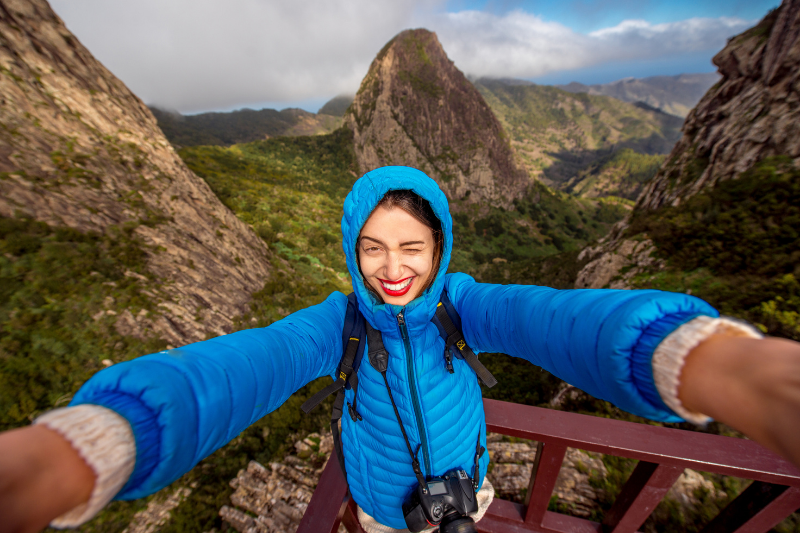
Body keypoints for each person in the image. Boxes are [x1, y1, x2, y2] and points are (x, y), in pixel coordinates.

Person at [1, 166, 799, 533]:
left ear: (440, 247)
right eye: (373, 248)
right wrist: (101, 441)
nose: (393, 270)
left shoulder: (465, 305)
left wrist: (720, 363)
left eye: (412, 247)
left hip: (471, 491)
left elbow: (562, 322)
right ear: (352, 252)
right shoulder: (334, 322)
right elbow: (238, 369)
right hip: (383, 509)